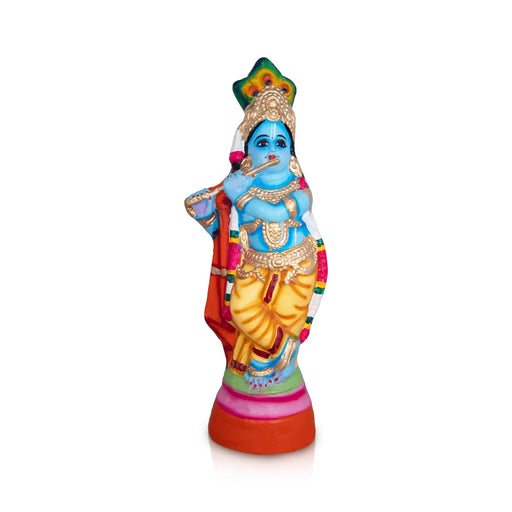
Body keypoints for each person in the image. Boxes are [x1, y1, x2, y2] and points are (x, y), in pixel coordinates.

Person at [185, 59, 327, 453]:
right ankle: (281, 349)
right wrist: (211, 209)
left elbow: (276, 215)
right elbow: (222, 228)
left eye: (281, 143)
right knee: (241, 309)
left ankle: (277, 363)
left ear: (292, 153)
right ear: (246, 150)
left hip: (297, 270)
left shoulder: (297, 190)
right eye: (261, 143)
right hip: (252, 270)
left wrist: (241, 195)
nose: (271, 151)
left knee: (276, 318)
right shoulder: (239, 185)